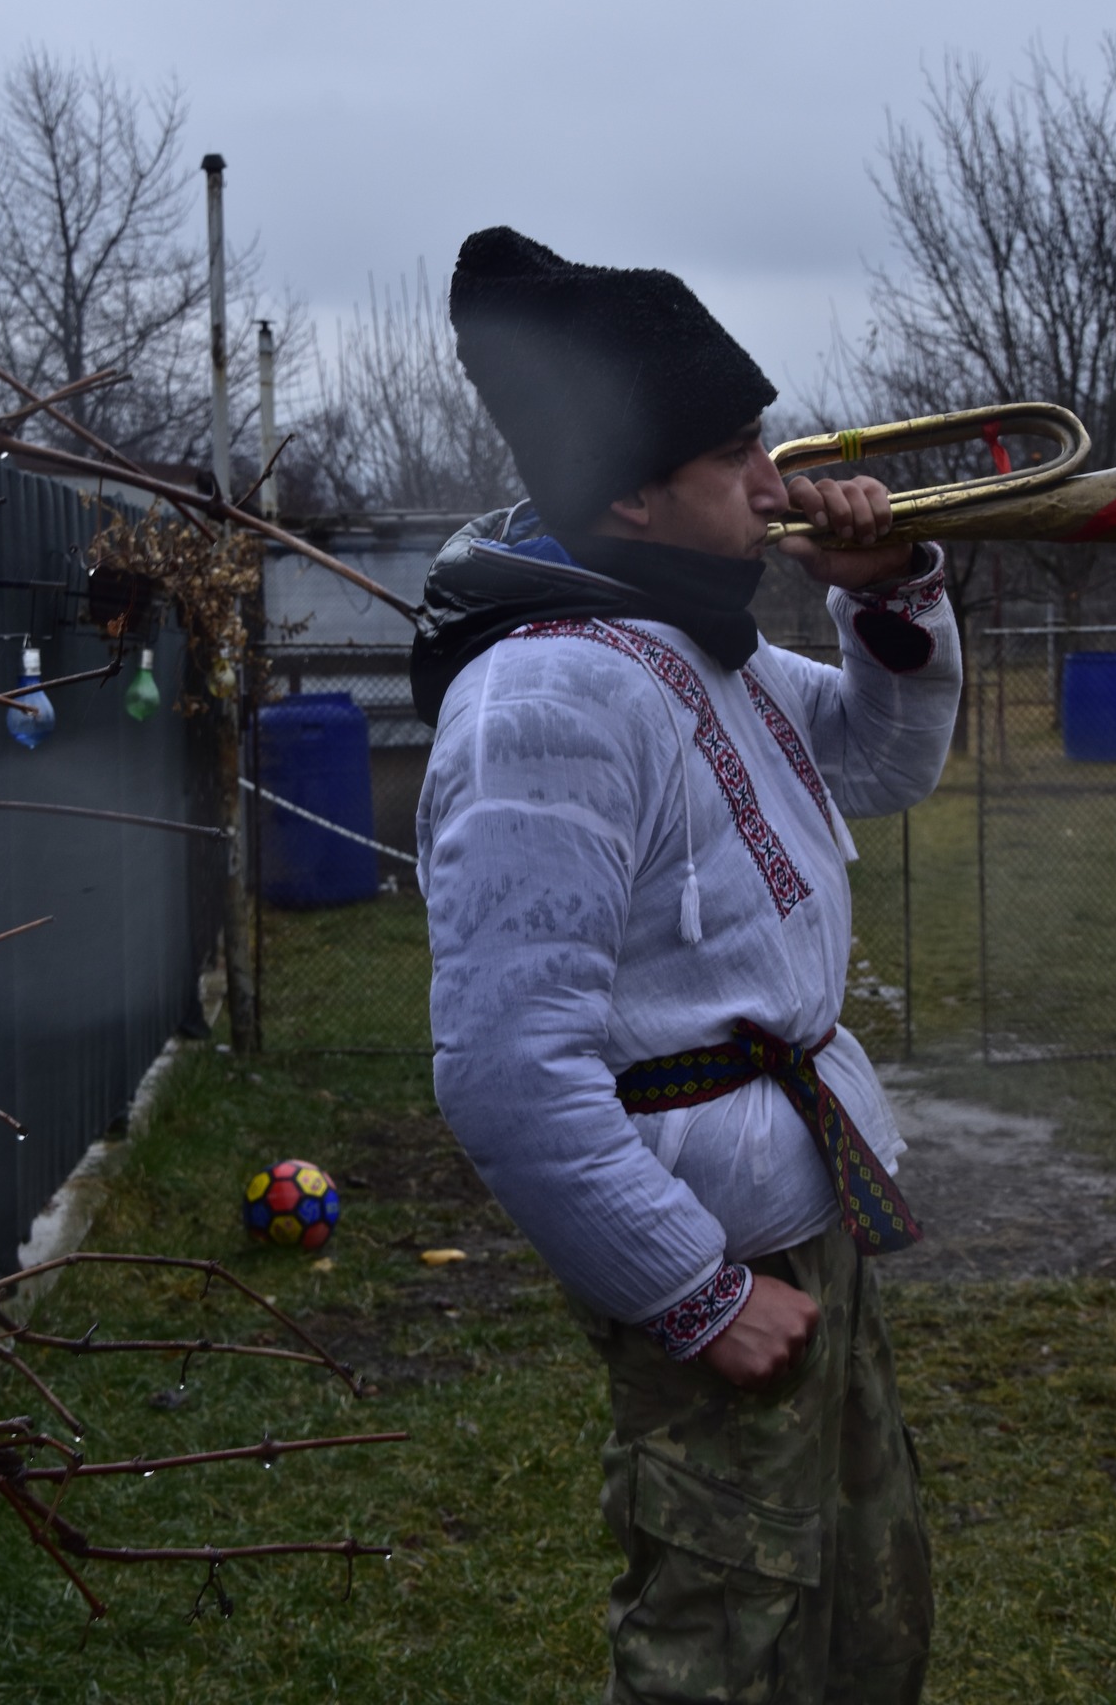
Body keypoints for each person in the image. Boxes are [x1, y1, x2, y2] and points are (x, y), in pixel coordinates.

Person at [412, 226, 961, 1704]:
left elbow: (880, 763)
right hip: (711, 1253)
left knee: (856, 1614)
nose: (778, 484)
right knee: (720, 1642)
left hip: (799, 1217)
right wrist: (696, 1296)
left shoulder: (691, 641)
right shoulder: (547, 699)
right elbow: (506, 1072)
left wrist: (888, 592)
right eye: (735, 455)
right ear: (630, 491)